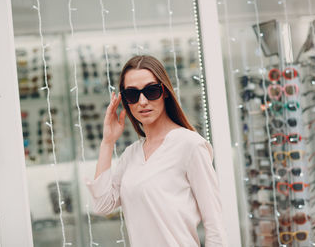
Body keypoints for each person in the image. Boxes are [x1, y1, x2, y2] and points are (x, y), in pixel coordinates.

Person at [85, 55, 228, 246]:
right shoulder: (131, 154)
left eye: (151, 91)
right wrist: (107, 142)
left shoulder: (190, 145)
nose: (142, 101)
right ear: (125, 100)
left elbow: (215, 227)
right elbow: (102, 205)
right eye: (132, 94)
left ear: (165, 91)